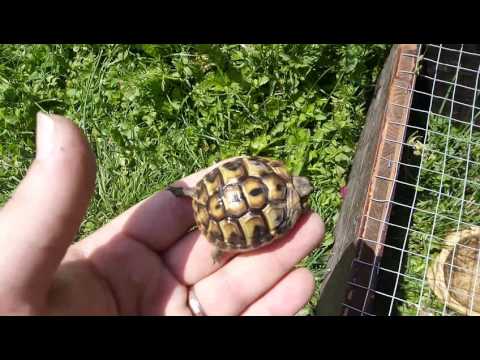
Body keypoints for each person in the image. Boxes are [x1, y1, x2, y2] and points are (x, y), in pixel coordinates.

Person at [0, 112, 325, 315]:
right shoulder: (288, 208)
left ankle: (201, 210)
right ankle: (219, 241)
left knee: (212, 197)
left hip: (215, 195)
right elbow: (270, 221)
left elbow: (247, 170)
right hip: (226, 214)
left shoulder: (272, 171)